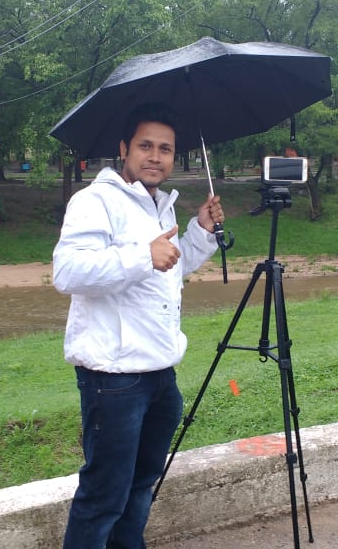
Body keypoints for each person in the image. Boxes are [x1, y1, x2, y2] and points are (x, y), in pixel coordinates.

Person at [52, 103, 224, 549]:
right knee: (103, 495)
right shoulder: (95, 201)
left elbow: (166, 270)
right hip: (113, 380)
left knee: (141, 484)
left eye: (165, 149)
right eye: (145, 145)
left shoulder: (159, 204)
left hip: (160, 375)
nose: (155, 156)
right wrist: (140, 255)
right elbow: (68, 272)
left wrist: (201, 232)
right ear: (124, 148)